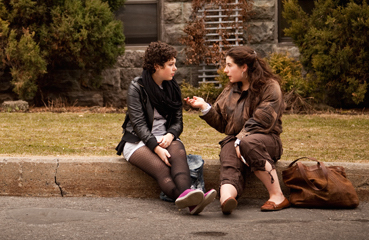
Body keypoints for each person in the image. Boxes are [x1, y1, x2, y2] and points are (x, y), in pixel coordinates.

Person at [184, 46, 290, 214]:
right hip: (239, 143)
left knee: (246, 142)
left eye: (229, 65)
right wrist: (204, 107)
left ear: (244, 67)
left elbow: (262, 121)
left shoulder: (270, 87)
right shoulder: (231, 90)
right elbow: (225, 125)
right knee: (228, 152)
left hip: (266, 141)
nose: (225, 70)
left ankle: (278, 196)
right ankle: (227, 199)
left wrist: (240, 140)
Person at [116, 41, 216, 215]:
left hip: (164, 137)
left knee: (178, 152)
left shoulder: (172, 88)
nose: (175, 68)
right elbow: (138, 125)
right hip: (138, 141)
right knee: (162, 169)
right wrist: (156, 148)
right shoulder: (137, 87)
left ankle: (190, 195)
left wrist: (170, 135)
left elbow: (178, 122)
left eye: (174, 64)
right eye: (170, 64)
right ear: (157, 66)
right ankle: (191, 200)